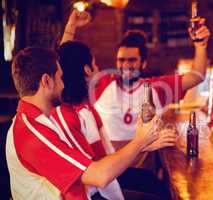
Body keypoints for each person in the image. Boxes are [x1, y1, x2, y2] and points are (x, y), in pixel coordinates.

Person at [6, 47, 161, 200]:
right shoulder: (32, 132)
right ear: (46, 81)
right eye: (60, 78)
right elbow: (99, 176)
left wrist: (142, 142)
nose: (63, 85)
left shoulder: (39, 119)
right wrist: (140, 140)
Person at [62, 10, 210, 150]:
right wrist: (71, 28)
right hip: (109, 165)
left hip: (143, 168)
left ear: (143, 63)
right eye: (121, 60)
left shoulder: (156, 87)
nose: (126, 65)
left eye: (132, 60)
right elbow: (67, 67)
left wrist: (200, 45)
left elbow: (196, 76)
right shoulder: (102, 83)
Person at [55, 41, 177, 199]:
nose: (98, 69)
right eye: (95, 65)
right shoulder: (78, 114)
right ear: (87, 70)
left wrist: (146, 144)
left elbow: (106, 159)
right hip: (94, 191)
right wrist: (141, 142)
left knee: (158, 185)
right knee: (162, 195)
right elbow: (101, 174)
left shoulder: (84, 106)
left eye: (132, 60)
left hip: (105, 177)